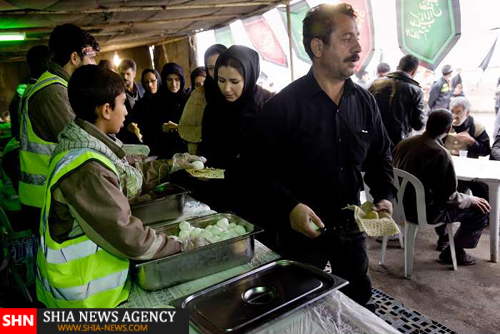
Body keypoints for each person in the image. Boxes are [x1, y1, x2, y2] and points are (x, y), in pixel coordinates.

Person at [254, 3, 394, 310]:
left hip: (350, 226)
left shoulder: (365, 103)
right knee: (297, 304)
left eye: (357, 37)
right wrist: (289, 207)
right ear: (318, 46)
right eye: (346, 38)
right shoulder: (283, 108)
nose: (358, 47)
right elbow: (260, 171)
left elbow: (380, 156)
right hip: (300, 232)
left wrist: (384, 196)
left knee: (358, 301)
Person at [36, 65, 182, 308]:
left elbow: (125, 179)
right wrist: (180, 246)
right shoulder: (86, 167)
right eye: (123, 103)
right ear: (106, 110)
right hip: (85, 298)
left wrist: (169, 165)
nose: (126, 111)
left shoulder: (84, 144)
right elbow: (126, 235)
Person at [18, 23, 99, 233]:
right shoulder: (53, 93)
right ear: (74, 58)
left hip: (51, 195)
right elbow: (82, 140)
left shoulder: (59, 87)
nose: (94, 64)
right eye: (91, 58)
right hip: (45, 198)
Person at [393, 109, 490, 265]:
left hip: (399, 207)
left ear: (427, 123)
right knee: (481, 209)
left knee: (440, 198)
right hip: (423, 212)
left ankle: (444, 237)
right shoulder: (440, 154)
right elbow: (449, 198)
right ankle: (456, 252)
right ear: (448, 129)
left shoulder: (405, 143)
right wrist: (471, 199)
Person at [178, 44, 227, 155]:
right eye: (210, 68)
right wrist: (208, 132)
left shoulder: (236, 91)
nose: (215, 72)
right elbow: (183, 128)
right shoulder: (199, 94)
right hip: (205, 160)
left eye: (220, 65)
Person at [369, 55, 425, 148]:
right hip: (398, 144)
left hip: (373, 139)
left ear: (398, 67)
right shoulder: (416, 91)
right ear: (414, 71)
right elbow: (418, 124)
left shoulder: (376, 83)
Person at [148, 62, 190, 158]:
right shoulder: (156, 101)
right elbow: (149, 128)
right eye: (169, 80)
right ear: (163, 80)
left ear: (182, 80)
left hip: (186, 152)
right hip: (163, 151)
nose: (173, 84)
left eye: (177, 79)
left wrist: (179, 128)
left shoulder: (188, 99)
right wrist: (161, 128)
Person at [117, 59, 145, 144]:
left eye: (128, 74)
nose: (125, 77)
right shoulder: (117, 93)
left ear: (134, 74)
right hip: (127, 138)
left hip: (144, 133)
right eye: (122, 74)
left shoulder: (143, 89)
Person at [133, 69, 162, 148]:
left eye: (153, 81)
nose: (149, 85)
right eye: (146, 82)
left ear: (158, 80)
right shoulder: (140, 104)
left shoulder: (166, 101)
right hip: (148, 146)